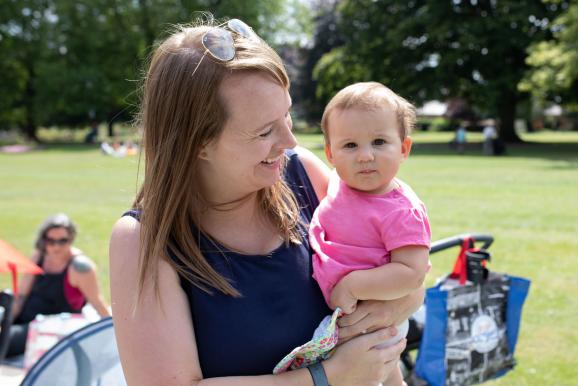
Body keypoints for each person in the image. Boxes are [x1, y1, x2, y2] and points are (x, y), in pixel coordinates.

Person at [108, 17, 423, 386]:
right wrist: (327, 378)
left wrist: (397, 303)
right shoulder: (144, 240)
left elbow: (407, 269)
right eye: (264, 131)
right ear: (197, 143)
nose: (290, 140)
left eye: (286, 114)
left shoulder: (303, 174)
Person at [308, 82, 431, 386]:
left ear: (404, 148)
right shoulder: (338, 183)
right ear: (331, 154)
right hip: (346, 320)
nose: (365, 156)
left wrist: (353, 286)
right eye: (350, 145)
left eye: (378, 142)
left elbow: (411, 272)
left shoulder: (400, 210)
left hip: (371, 321)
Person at [8, 213, 110, 356]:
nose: (56, 246)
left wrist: (112, 331)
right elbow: (21, 297)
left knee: (5, 341)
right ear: (43, 240)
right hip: (26, 317)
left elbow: (97, 303)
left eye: (63, 241)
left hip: (47, 328)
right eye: (51, 241)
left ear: (71, 239)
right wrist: (7, 321)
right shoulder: (39, 256)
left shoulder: (80, 267)